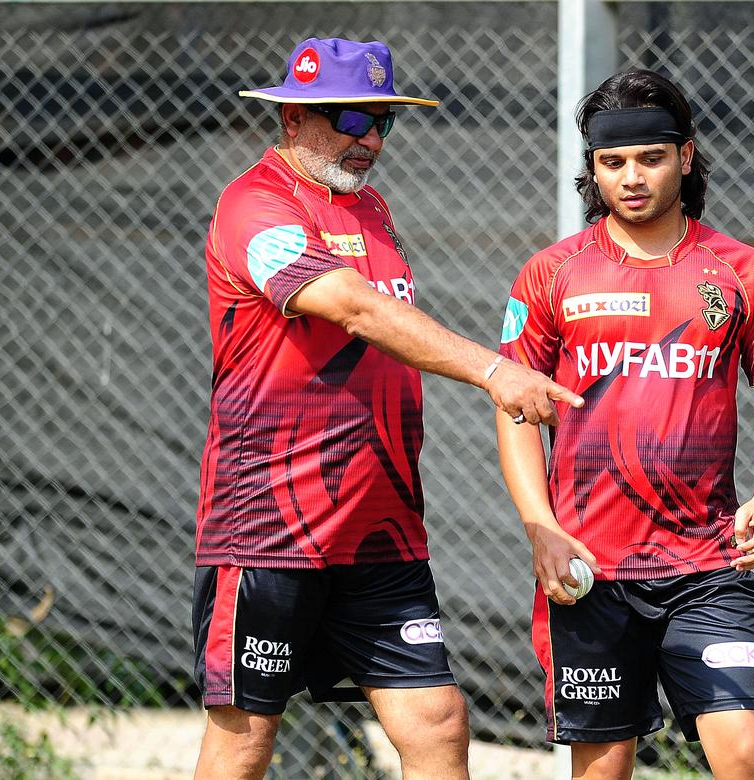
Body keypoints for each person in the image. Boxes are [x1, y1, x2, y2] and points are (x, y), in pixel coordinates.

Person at [191, 37, 582, 780]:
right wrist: (494, 370)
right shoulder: (254, 204)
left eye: (383, 122)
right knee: (244, 736)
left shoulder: (369, 206)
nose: (368, 138)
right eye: (349, 117)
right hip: (270, 527)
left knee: (437, 721)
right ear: (294, 120)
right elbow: (352, 307)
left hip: (381, 529)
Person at [495, 69, 754, 780]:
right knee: (603, 767)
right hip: (590, 568)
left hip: (707, 564)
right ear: (594, 169)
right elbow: (515, 410)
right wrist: (538, 527)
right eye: (612, 163)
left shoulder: (742, 271)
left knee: (746, 749)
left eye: (650, 158)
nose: (631, 177)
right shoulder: (551, 273)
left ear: (686, 157)